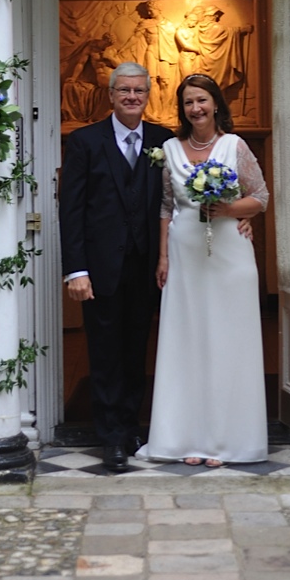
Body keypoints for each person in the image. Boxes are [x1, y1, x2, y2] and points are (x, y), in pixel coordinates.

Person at [138, 73, 269, 467]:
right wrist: (162, 257)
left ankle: (228, 441)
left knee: (229, 343)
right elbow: (165, 207)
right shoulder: (170, 149)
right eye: (188, 102)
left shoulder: (234, 146)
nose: (195, 108)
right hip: (184, 255)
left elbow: (260, 196)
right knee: (188, 344)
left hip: (229, 256)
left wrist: (230, 210)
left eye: (202, 100)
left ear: (215, 104)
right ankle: (186, 439)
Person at [59, 61, 173, 472]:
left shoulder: (163, 140)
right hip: (100, 269)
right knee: (104, 353)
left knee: (135, 351)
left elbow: (174, 202)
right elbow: (71, 212)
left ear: (147, 95)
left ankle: (130, 428)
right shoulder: (85, 141)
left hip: (146, 268)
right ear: (110, 95)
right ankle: (110, 439)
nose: (131, 97)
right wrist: (76, 270)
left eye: (138, 92)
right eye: (124, 91)